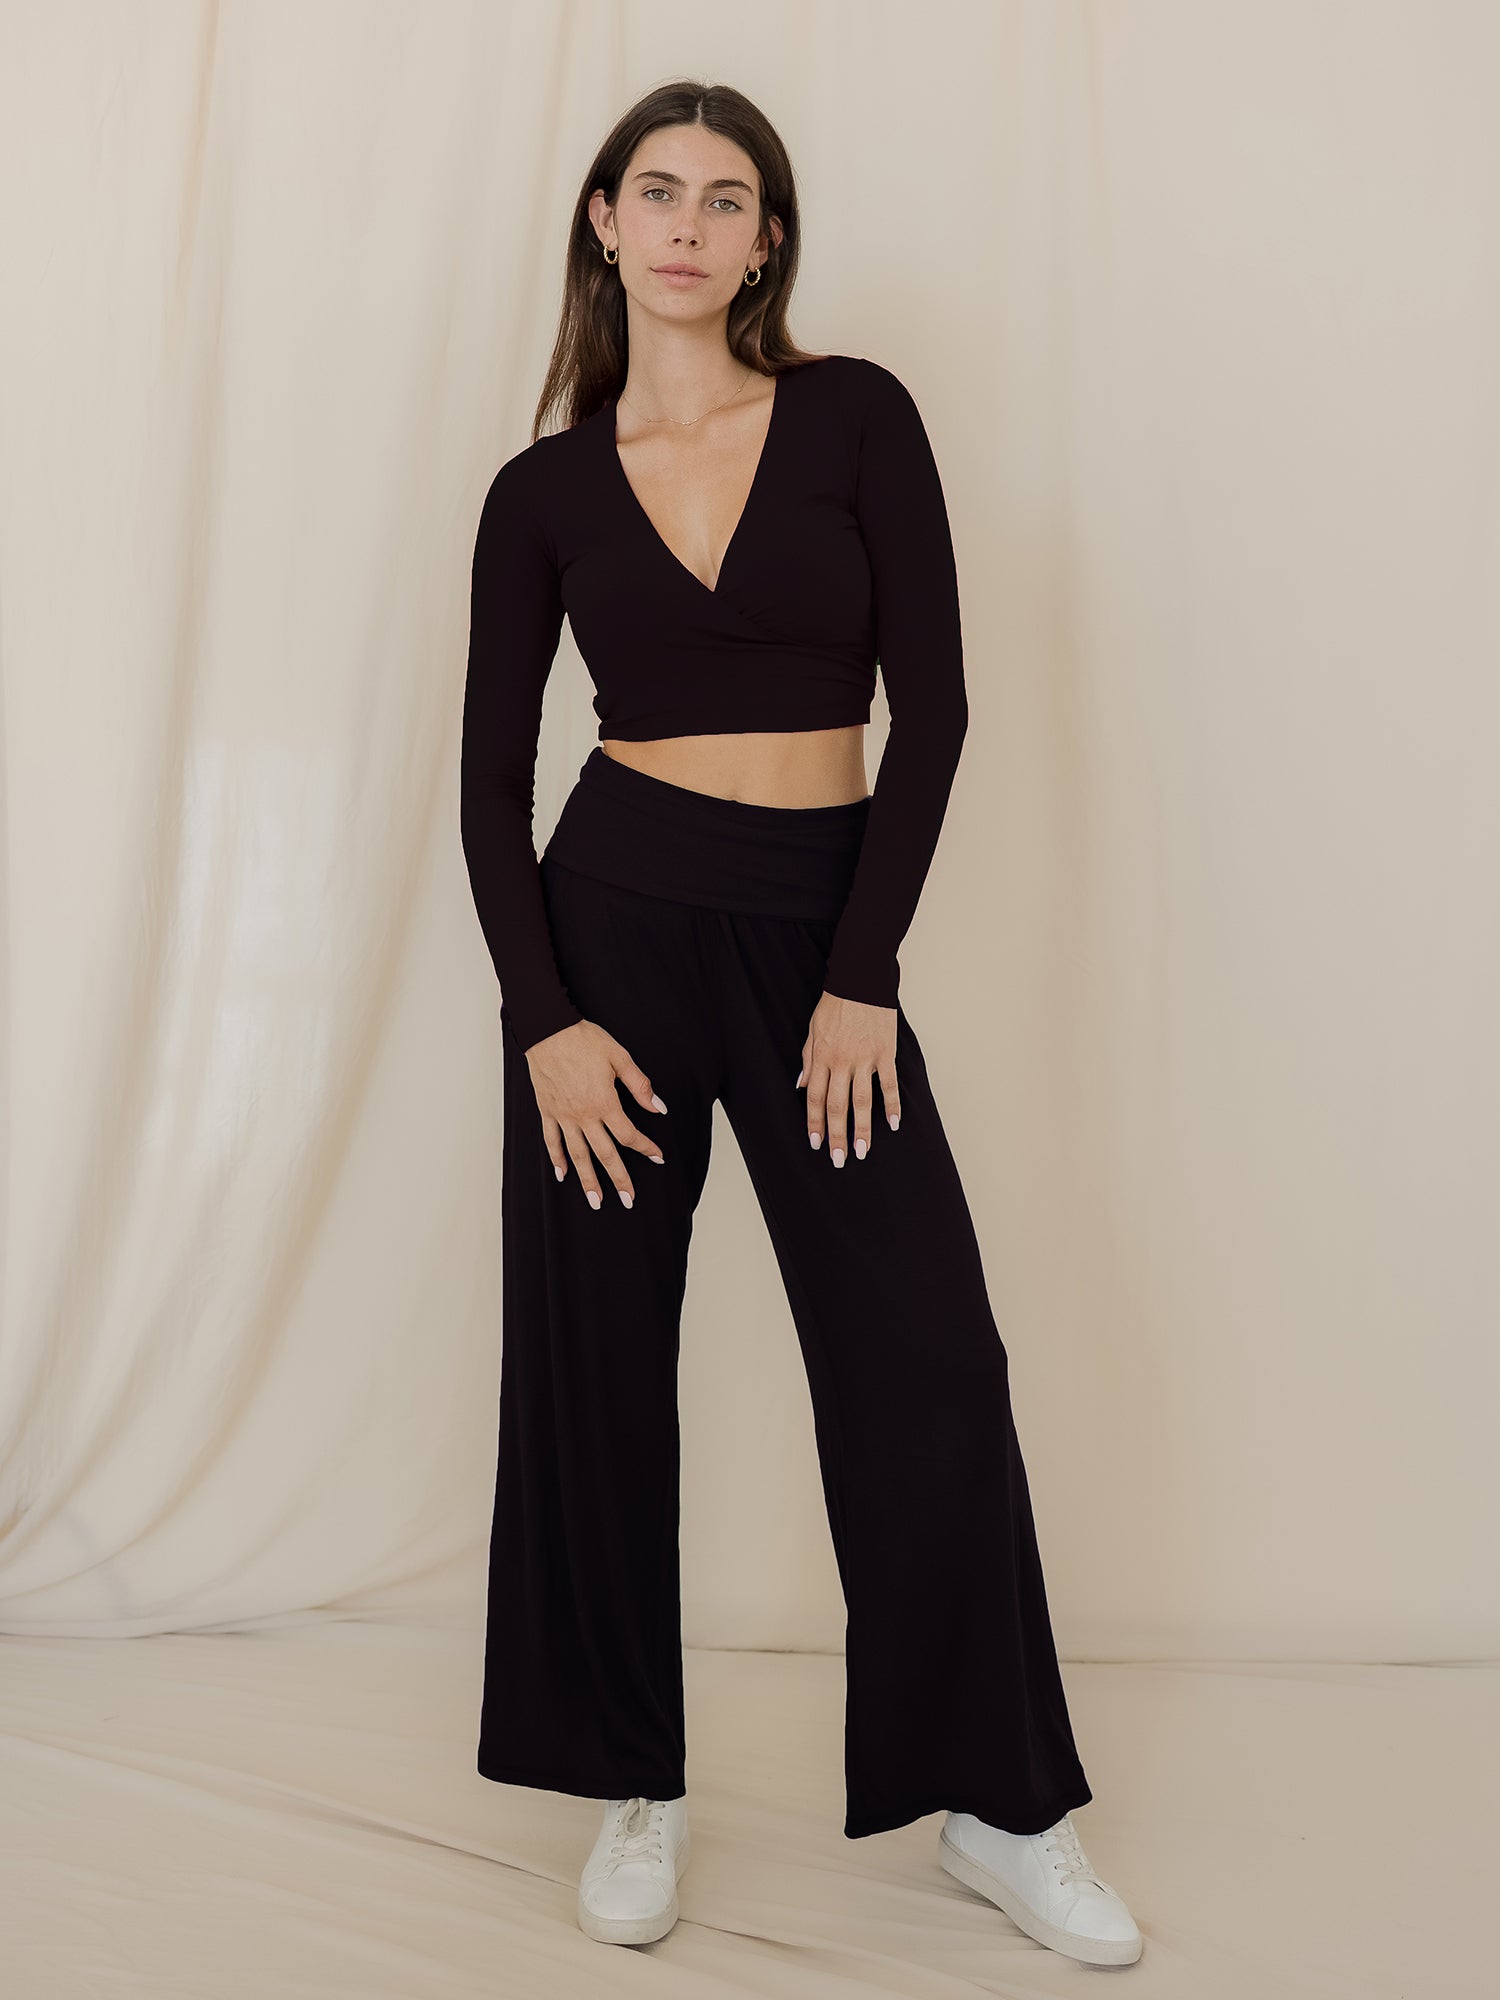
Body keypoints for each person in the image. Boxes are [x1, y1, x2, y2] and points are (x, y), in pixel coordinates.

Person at [459, 80, 1143, 1969]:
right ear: (604, 221)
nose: (688, 224)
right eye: (657, 191)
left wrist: (865, 974)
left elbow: (938, 708)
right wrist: (545, 1019)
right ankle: (632, 1782)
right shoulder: (541, 492)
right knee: (596, 1370)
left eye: (727, 197)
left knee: (926, 1360)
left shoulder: (857, 417)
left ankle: (1002, 1807)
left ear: (767, 239)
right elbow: (489, 784)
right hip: (608, 938)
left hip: (821, 939)